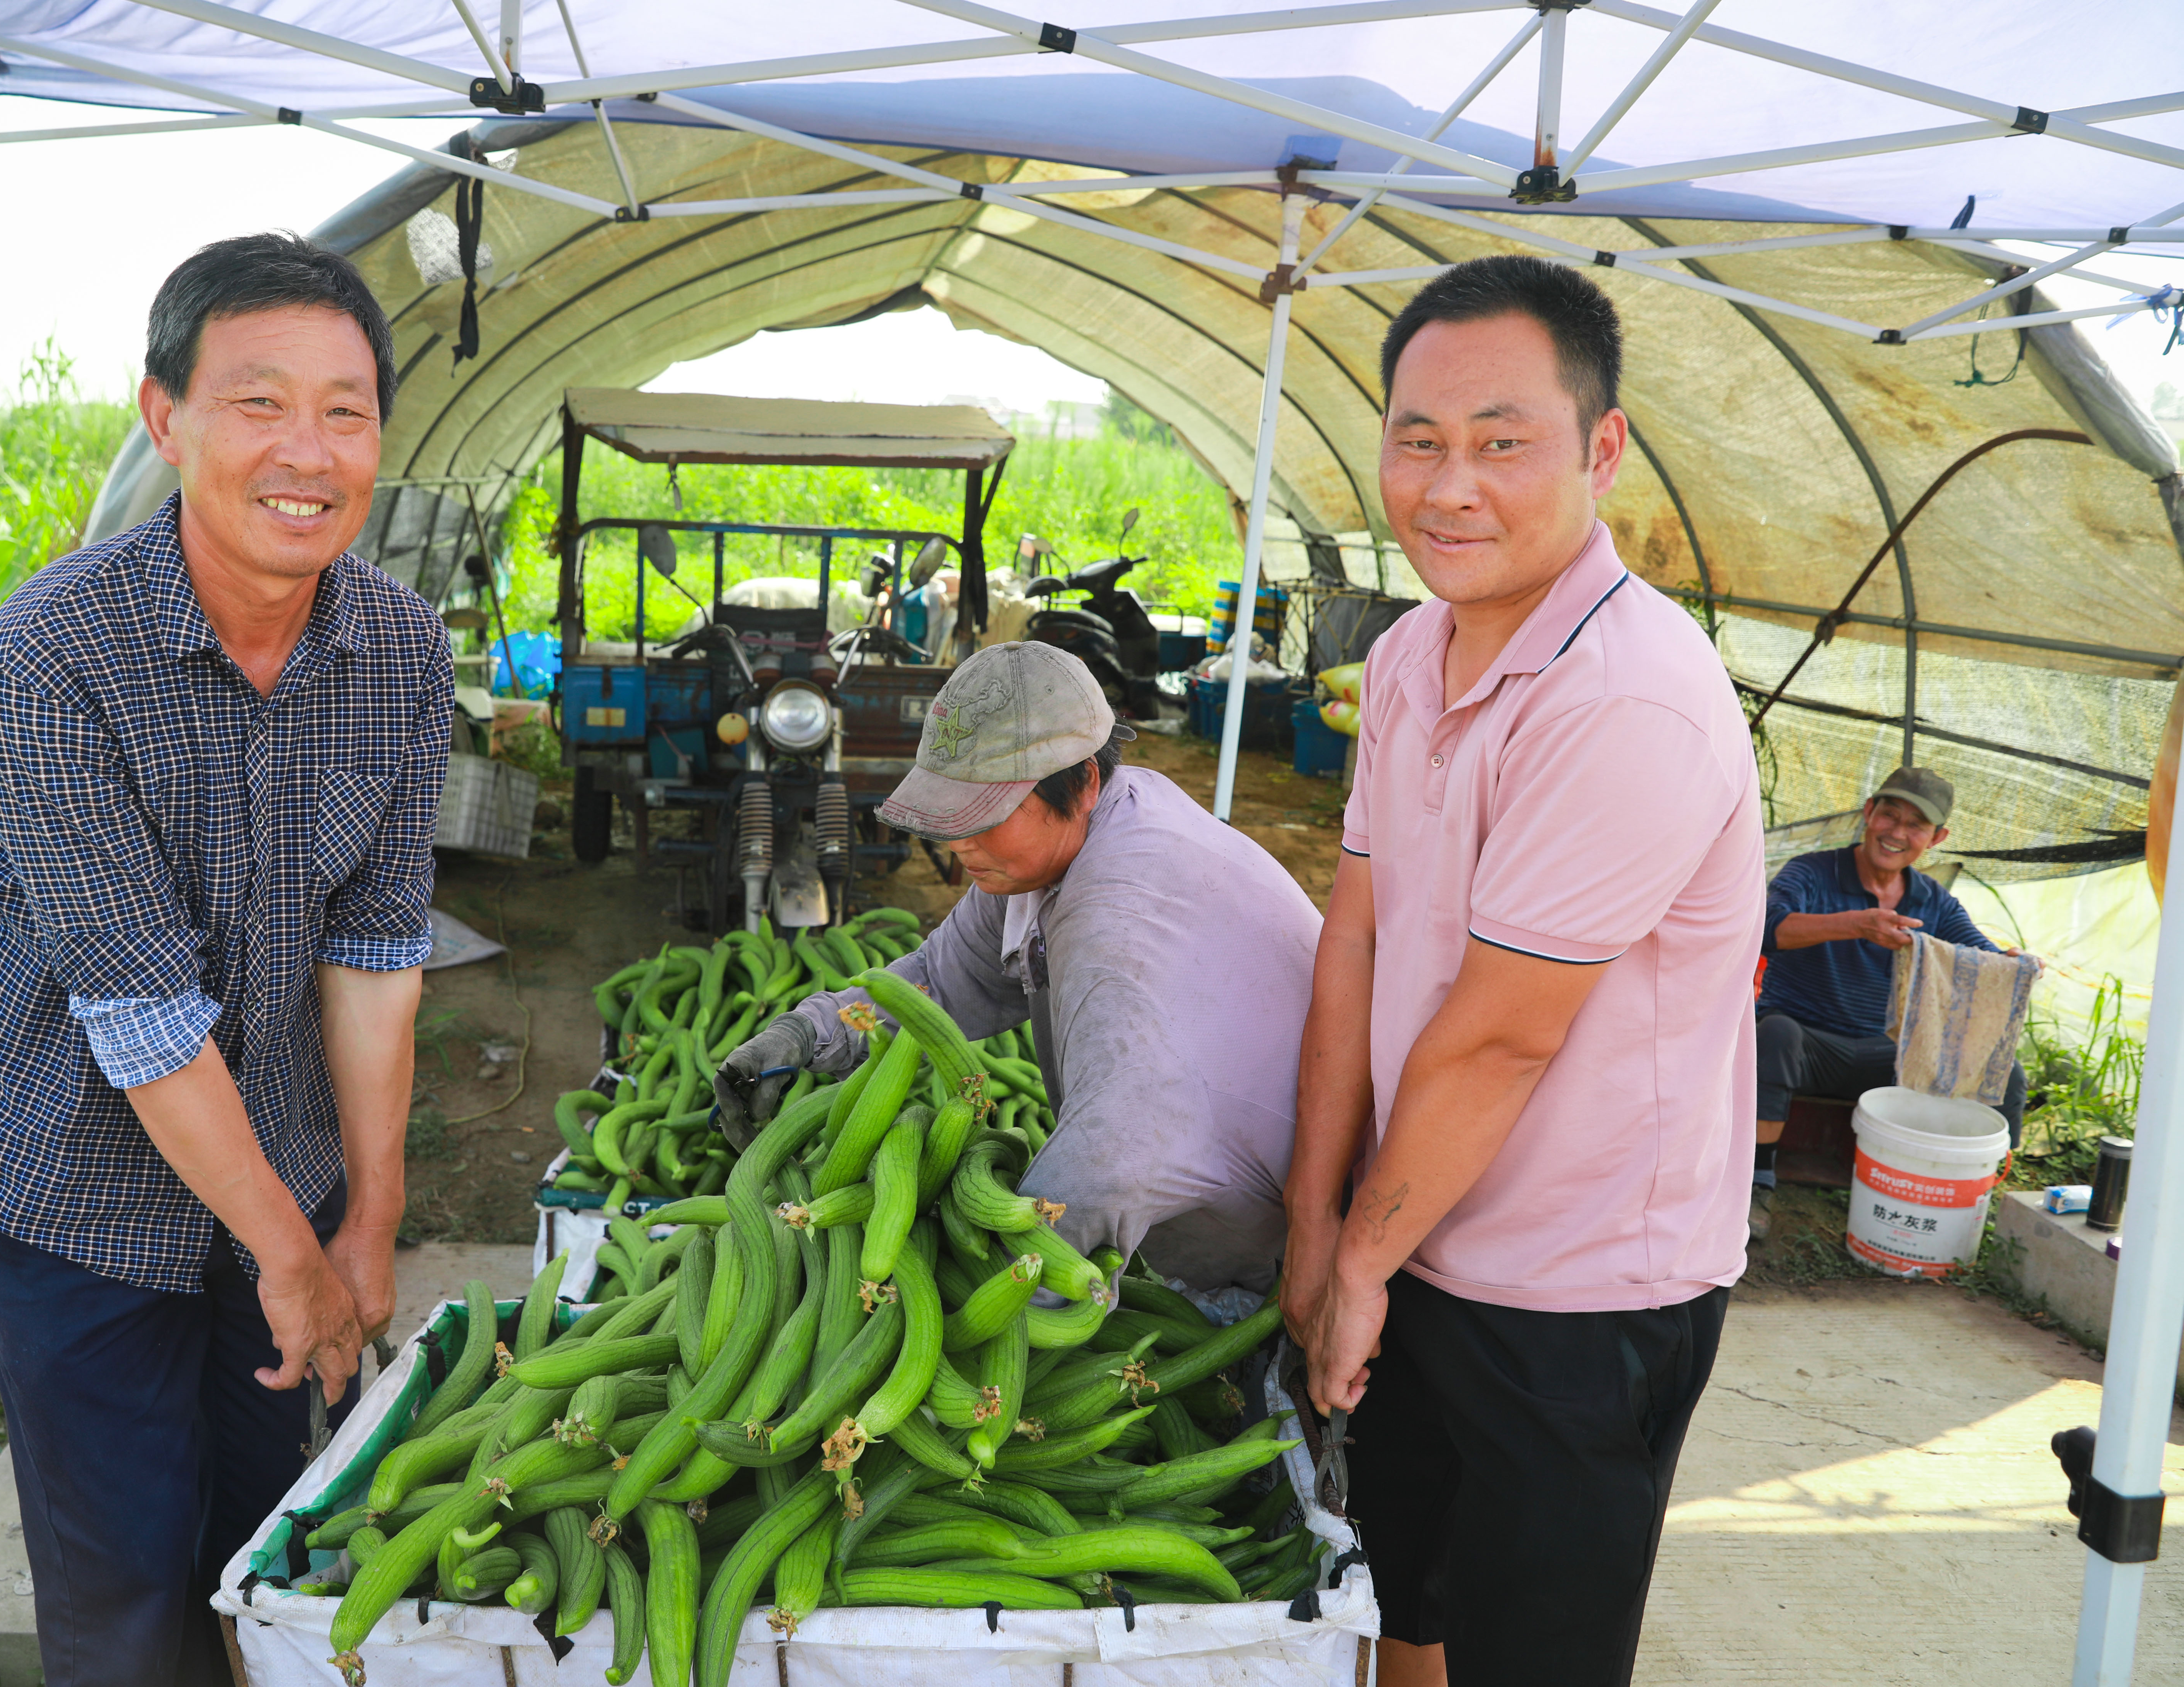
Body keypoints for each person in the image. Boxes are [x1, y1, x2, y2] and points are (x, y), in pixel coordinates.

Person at [0, 233, 452, 1687]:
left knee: (260, 1540)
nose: (309, 451)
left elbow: (378, 951)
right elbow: (140, 1013)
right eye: (258, 402)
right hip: (71, 1178)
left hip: (275, 1145)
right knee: (132, 1596)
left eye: (345, 411)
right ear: (167, 420)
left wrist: (366, 1224)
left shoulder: (401, 651)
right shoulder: (54, 650)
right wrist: (292, 1256)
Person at [1282, 255, 1763, 1687]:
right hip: (1419, 1231)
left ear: (1599, 449)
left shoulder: (1628, 701)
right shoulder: (1410, 657)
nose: (1447, 486)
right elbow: (1355, 938)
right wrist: (1318, 1224)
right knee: (1400, 1606)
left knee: (1528, 1657)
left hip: (1579, 1299)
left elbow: (1499, 1041)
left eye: (1502, 444)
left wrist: (1352, 1259)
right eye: (1416, 440)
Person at [712, 640, 1321, 1294]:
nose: (959, 842)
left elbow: (1111, 1151)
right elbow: (941, 980)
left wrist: (989, 1300)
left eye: (988, 813)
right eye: (951, 813)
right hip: (1206, 1217)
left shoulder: (1119, 910)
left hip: (1283, 1252)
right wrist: (811, 1032)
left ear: (1082, 780)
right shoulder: (1068, 841)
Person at [1750, 766, 2026, 1240]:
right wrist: (1854, 924)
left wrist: (2011, 963)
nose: (1897, 833)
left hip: (1889, 1055)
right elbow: (1765, 926)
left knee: (2007, 1070)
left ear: (1936, 838)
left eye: (1915, 826)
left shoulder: (1933, 903)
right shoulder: (1812, 873)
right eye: (1889, 815)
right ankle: (1758, 1184)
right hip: (1808, 1045)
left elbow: (1975, 955)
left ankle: (1981, 1191)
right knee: (1774, 1034)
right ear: (1868, 813)